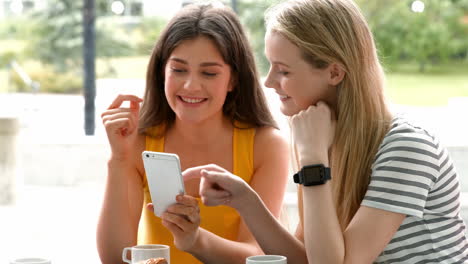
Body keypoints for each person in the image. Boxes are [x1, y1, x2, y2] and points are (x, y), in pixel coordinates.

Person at [186, 0, 468, 263]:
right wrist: (245, 201)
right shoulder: (319, 134)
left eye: (283, 71)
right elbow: (309, 256)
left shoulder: (407, 146)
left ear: (334, 73)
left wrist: (312, 160)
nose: (269, 81)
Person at [96, 2, 289, 264]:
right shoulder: (140, 141)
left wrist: (196, 240)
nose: (190, 85)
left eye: (209, 73)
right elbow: (115, 258)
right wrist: (118, 160)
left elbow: (257, 255)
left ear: (233, 80)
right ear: (161, 71)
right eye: (178, 70)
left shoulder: (265, 146)